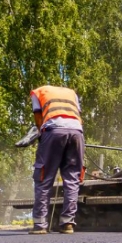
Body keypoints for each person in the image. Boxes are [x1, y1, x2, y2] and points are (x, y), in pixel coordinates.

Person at [28, 84, 84, 234]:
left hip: (53, 132)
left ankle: (40, 225)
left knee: (44, 177)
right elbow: (79, 117)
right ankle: (67, 224)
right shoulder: (72, 93)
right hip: (77, 132)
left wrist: (41, 135)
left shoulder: (38, 93)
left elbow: (38, 117)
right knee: (72, 179)